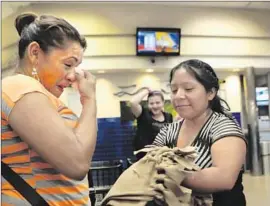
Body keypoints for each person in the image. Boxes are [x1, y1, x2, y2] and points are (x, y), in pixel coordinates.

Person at [2, 13, 97, 205]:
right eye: (68, 64)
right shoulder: (19, 86)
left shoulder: (38, 95)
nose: (72, 76)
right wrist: (89, 99)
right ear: (35, 53)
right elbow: (77, 163)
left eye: (76, 67)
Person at [152, 59, 247, 206]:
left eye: (188, 89)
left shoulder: (223, 127)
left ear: (210, 93)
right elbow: (149, 164)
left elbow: (224, 178)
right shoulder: (168, 131)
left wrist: (170, 174)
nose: (178, 96)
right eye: (174, 90)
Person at [130, 88, 173, 160]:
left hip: (163, 158)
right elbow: (133, 102)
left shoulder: (168, 116)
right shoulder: (143, 114)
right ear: (148, 104)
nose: (155, 106)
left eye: (158, 103)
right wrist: (147, 90)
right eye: (151, 103)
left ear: (163, 102)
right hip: (145, 158)